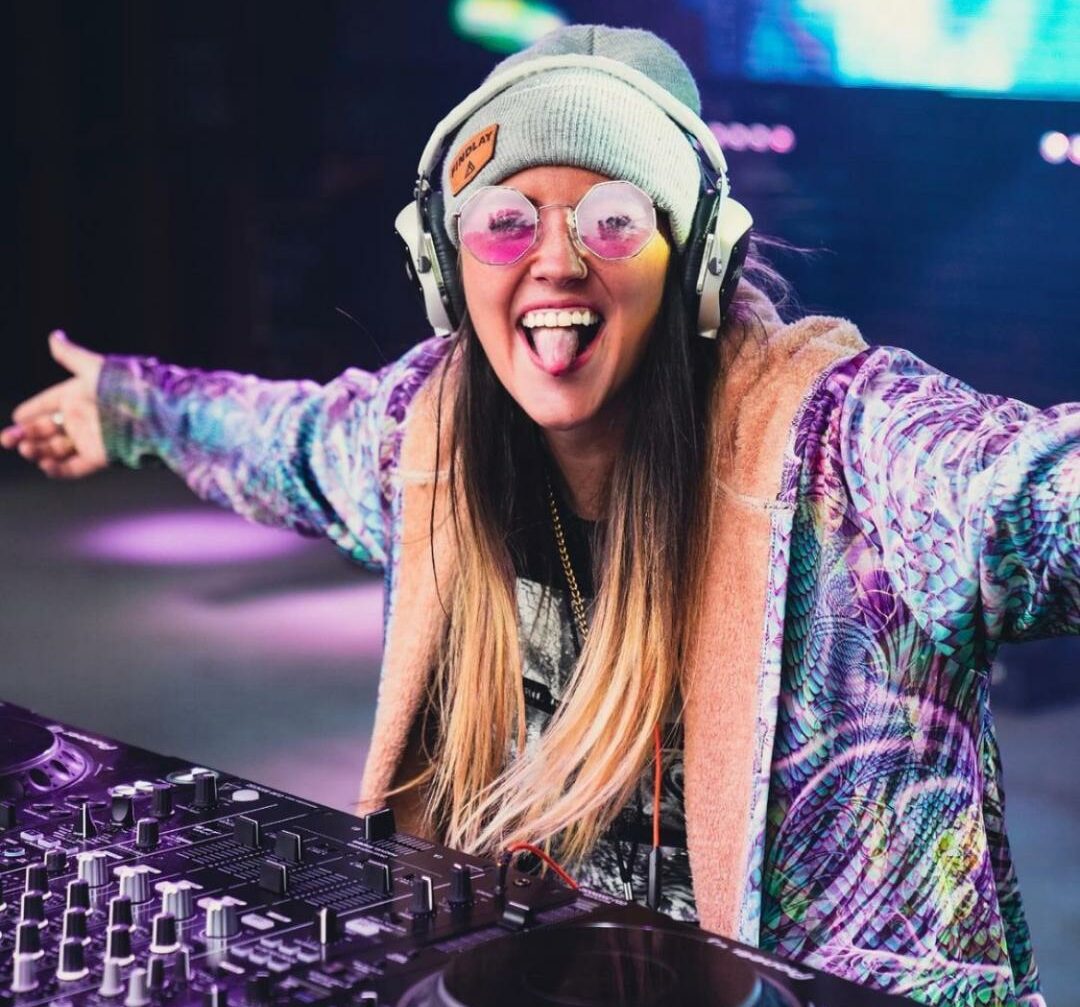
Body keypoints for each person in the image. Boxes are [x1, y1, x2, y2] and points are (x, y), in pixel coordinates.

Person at [2, 24, 1075, 1007]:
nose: (557, 259)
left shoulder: (848, 447)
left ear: (693, 260)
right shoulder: (428, 436)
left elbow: (1025, 487)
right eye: (506, 221)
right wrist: (130, 404)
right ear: (446, 268)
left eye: (614, 219)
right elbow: (286, 437)